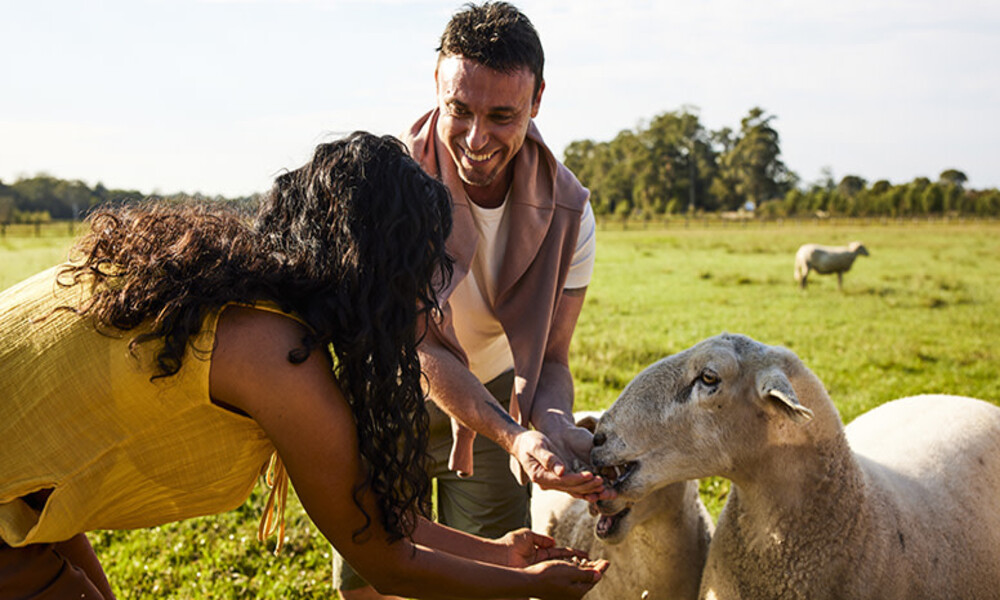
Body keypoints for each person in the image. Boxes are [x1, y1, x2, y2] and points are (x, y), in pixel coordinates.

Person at [0, 132, 607, 600]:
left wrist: (501, 555)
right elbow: (382, 556)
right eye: (419, 274)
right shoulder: (274, 354)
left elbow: (371, 518)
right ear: (374, 270)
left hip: (24, 492)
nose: (426, 301)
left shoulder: (227, 292)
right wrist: (532, 586)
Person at [333, 5, 612, 599]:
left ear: (537, 100)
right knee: (374, 576)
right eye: (458, 109)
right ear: (437, 84)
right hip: (392, 391)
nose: (476, 138)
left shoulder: (571, 213)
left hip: (492, 399)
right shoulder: (393, 189)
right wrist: (515, 436)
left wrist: (554, 427)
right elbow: (415, 342)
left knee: (486, 580)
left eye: (502, 115)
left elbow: (553, 361)